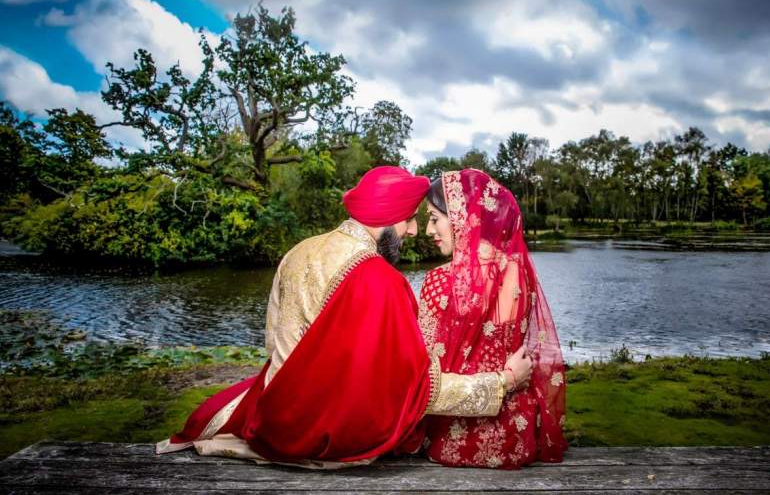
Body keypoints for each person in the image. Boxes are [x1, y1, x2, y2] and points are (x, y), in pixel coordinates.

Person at [156, 166, 533, 468]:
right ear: (387, 216)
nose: (415, 230)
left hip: (272, 420)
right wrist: (500, 383)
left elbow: (274, 344)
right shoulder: (382, 280)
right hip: (325, 435)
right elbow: (414, 388)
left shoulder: (297, 252)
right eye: (408, 220)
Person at [419, 169, 567, 469]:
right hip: (517, 436)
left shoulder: (439, 281)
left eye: (434, 219)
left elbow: (425, 373)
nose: (428, 231)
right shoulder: (521, 274)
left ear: (462, 216)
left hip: (453, 439)